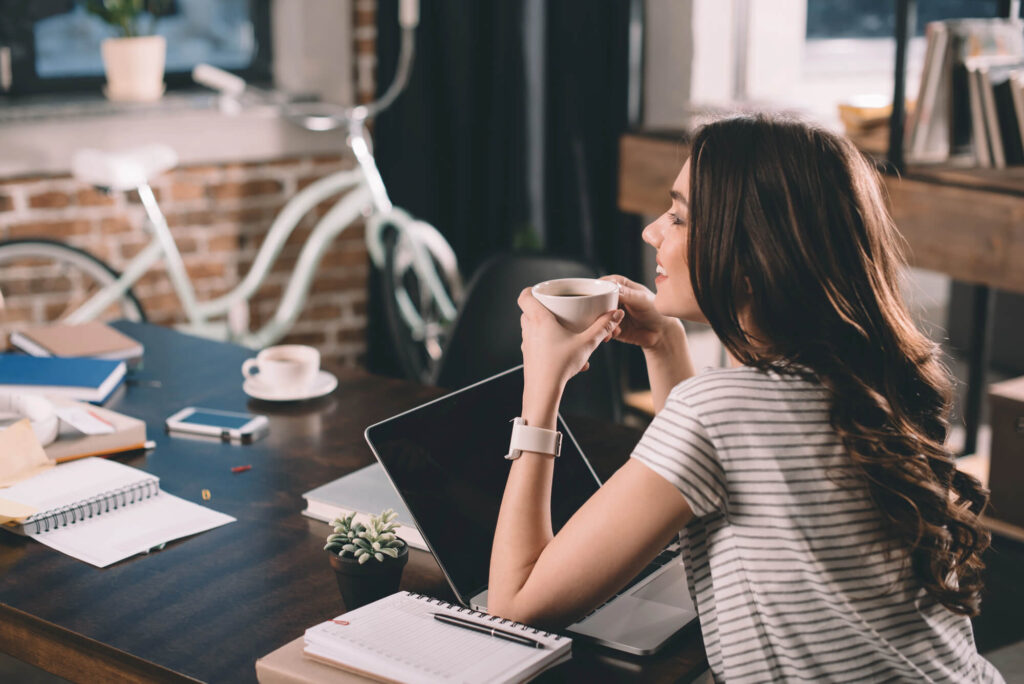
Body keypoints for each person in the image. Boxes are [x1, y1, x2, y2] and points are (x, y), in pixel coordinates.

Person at [487, 113, 1003, 683]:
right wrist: (662, 342)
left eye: (680, 217)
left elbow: (515, 605)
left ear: (753, 255)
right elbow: (723, 465)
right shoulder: (871, 377)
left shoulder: (718, 413)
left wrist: (541, 390)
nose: (652, 231)